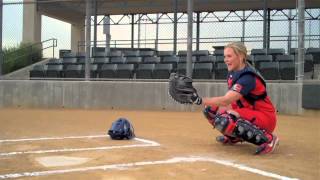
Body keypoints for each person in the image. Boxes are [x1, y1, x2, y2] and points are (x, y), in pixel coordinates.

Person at [202, 42, 279, 155]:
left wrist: (199, 99)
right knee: (210, 109)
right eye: (225, 56)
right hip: (248, 113)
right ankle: (233, 137)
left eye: (229, 56)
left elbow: (226, 100)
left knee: (228, 118)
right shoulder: (233, 74)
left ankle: (269, 139)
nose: (225, 60)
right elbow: (232, 101)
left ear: (241, 56)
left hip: (264, 117)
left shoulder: (248, 77)